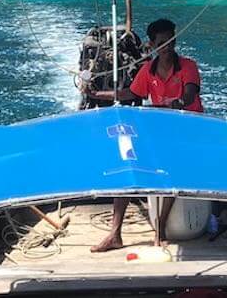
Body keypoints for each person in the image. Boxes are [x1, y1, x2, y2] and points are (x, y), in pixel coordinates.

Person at [86, 18, 203, 252]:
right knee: (128, 166)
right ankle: (114, 234)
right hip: (162, 131)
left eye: (171, 40)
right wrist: (98, 93)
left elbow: (190, 96)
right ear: (152, 45)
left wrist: (177, 103)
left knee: (171, 165)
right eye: (162, 42)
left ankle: (160, 228)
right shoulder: (147, 70)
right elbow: (130, 93)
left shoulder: (188, 66)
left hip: (190, 131)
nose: (168, 46)